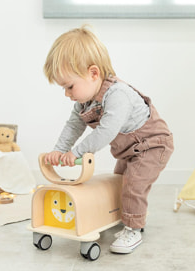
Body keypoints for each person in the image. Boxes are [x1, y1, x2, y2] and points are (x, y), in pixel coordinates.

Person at [43, 26, 174, 254]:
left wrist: (75, 153)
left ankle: (133, 228)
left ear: (93, 73)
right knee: (119, 182)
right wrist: (59, 150)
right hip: (129, 150)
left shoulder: (118, 95)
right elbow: (73, 126)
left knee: (133, 185)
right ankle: (123, 217)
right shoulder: (83, 103)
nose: (67, 93)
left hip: (152, 145)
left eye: (69, 86)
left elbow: (106, 132)